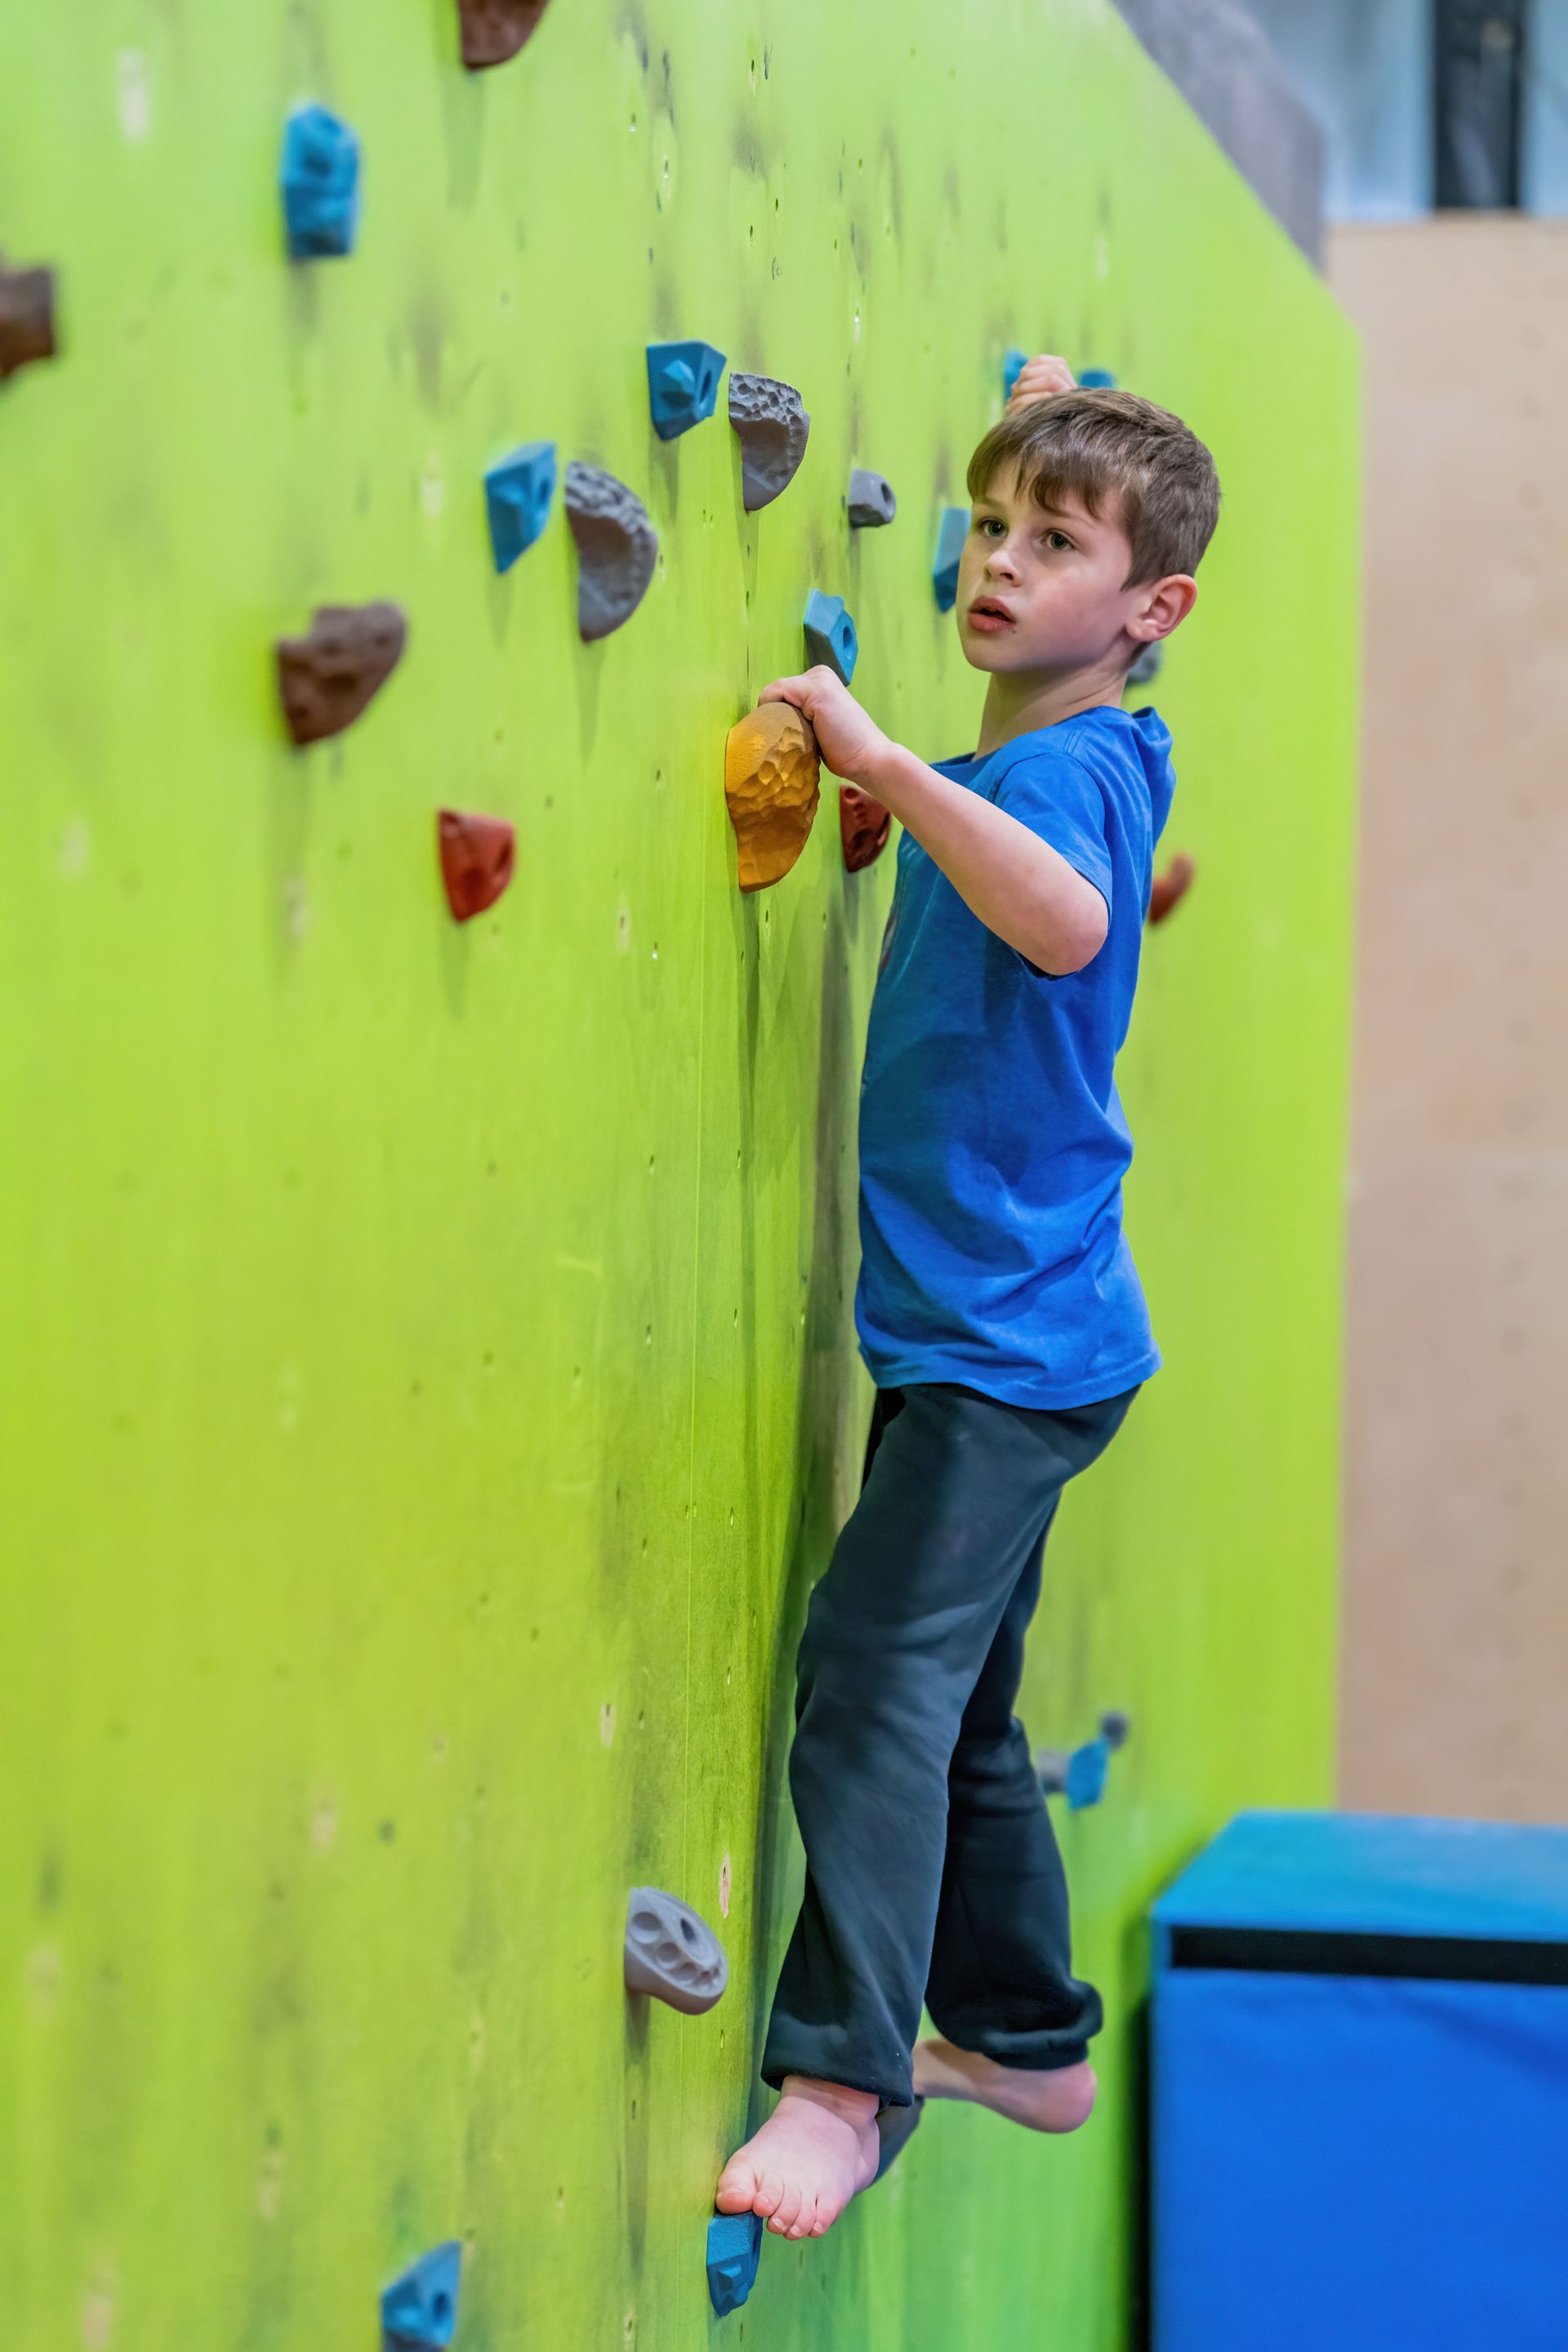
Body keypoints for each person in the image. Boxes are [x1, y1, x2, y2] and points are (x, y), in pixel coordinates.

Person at [714, 357, 1223, 2242]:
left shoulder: (1071, 769)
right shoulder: (1067, 745)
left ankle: (842, 2086)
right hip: (999, 1336)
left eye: (1056, 543)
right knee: (968, 1705)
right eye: (993, 524)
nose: (999, 564)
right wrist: (1057, 398)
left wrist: (886, 765)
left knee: (870, 1688)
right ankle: (1024, 2035)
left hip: (1009, 1349)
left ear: (1151, 611)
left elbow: (1074, 919)